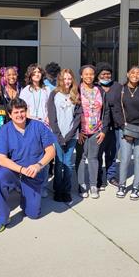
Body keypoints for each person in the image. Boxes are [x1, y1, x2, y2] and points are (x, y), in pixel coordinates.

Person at [0, 98, 56, 233]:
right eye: (16, 112)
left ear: (26, 111)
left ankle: (25, 196)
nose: (20, 115)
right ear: (10, 114)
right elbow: (2, 159)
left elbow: (51, 151)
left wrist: (38, 166)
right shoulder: (5, 130)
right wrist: (21, 169)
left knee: (33, 214)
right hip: (15, 172)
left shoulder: (38, 126)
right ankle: (2, 217)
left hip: (33, 174)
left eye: (22, 111)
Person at [113, 66, 139, 200]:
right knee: (124, 158)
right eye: (133, 72)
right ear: (127, 74)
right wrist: (122, 126)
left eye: (138, 73)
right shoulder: (121, 89)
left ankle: (136, 188)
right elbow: (117, 109)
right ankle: (122, 185)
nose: (135, 75)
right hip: (125, 129)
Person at [47, 69, 82, 203]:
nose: (67, 81)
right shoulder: (54, 94)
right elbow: (52, 117)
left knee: (68, 163)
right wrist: (59, 136)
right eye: (65, 79)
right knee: (58, 163)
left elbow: (78, 117)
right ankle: (57, 190)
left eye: (69, 79)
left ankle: (66, 190)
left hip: (71, 136)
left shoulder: (75, 94)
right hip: (57, 135)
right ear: (60, 80)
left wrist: (69, 135)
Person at [19, 63, 52, 197]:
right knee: (31, 155)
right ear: (30, 75)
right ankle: (29, 183)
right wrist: (31, 117)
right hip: (31, 125)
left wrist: (49, 118)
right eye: (34, 72)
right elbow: (22, 108)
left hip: (45, 126)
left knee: (45, 156)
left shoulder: (47, 89)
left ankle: (43, 185)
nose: (37, 74)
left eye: (39, 72)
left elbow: (50, 107)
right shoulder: (26, 90)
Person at [77, 65, 109, 199]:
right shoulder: (76, 90)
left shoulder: (99, 90)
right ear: (81, 76)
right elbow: (73, 111)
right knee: (81, 158)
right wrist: (77, 131)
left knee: (94, 158)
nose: (89, 76)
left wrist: (104, 130)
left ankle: (94, 185)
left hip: (97, 130)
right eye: (86, 74)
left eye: (91, 74)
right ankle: (81, 184)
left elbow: (106, 111)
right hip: (82, 131)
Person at [95, 62, 122, 188]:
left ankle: (111, 176)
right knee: (98, 154)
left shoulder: (118, 87)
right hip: (99, 127)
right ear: (98, 75)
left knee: (112, 153)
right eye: (103, 74)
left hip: (115, 126)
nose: (106, 76)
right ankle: (99, 177)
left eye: (108, 74)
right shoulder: (95, 88)